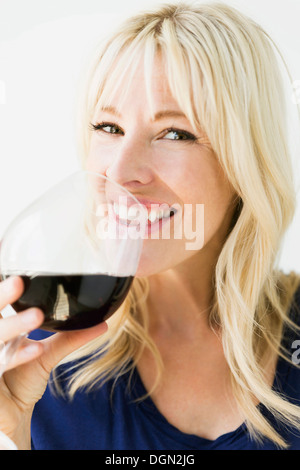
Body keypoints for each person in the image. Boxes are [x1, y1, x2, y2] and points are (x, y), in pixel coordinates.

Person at [0, 2, 300, 450]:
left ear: (244, 163)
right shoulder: (34, 357)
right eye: (108, 126)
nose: (120, 172)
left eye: (174, 133)